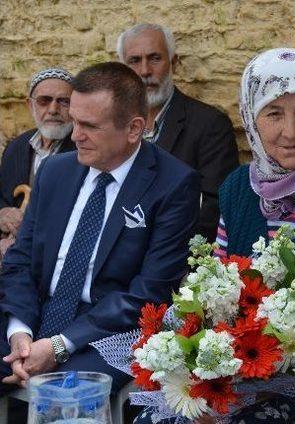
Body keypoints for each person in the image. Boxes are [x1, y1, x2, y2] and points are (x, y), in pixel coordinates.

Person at [135, 47, 295, 424]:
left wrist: (285, 359)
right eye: (273, 113)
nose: (290, 132)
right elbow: (216, 291)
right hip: (233, 369)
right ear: (251, 119)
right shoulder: (238, 188)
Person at [0, 62, 200, 395]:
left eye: (89, 125)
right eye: (74, 120)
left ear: (134, 128)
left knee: (66, 398)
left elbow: (150, 292)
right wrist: (19, 332)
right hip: (34, 312)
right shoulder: (55, 171)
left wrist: (59, 346)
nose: (75, 134)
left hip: (108, 331)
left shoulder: (173, 184)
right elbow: (20, 260)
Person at [117, 23, 239, 241]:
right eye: (134, 61)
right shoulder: (114, 124)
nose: (145, 71)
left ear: (174, 62)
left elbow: (214, 209)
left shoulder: (210, 125)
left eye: (155, 58)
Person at [0, 68, 76, 257]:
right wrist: (2, 213)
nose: (53, 110)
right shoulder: (15, 147)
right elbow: (2, 196)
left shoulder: (84, 150)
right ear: (30, 105)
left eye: (63, 101)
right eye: (44, 101)